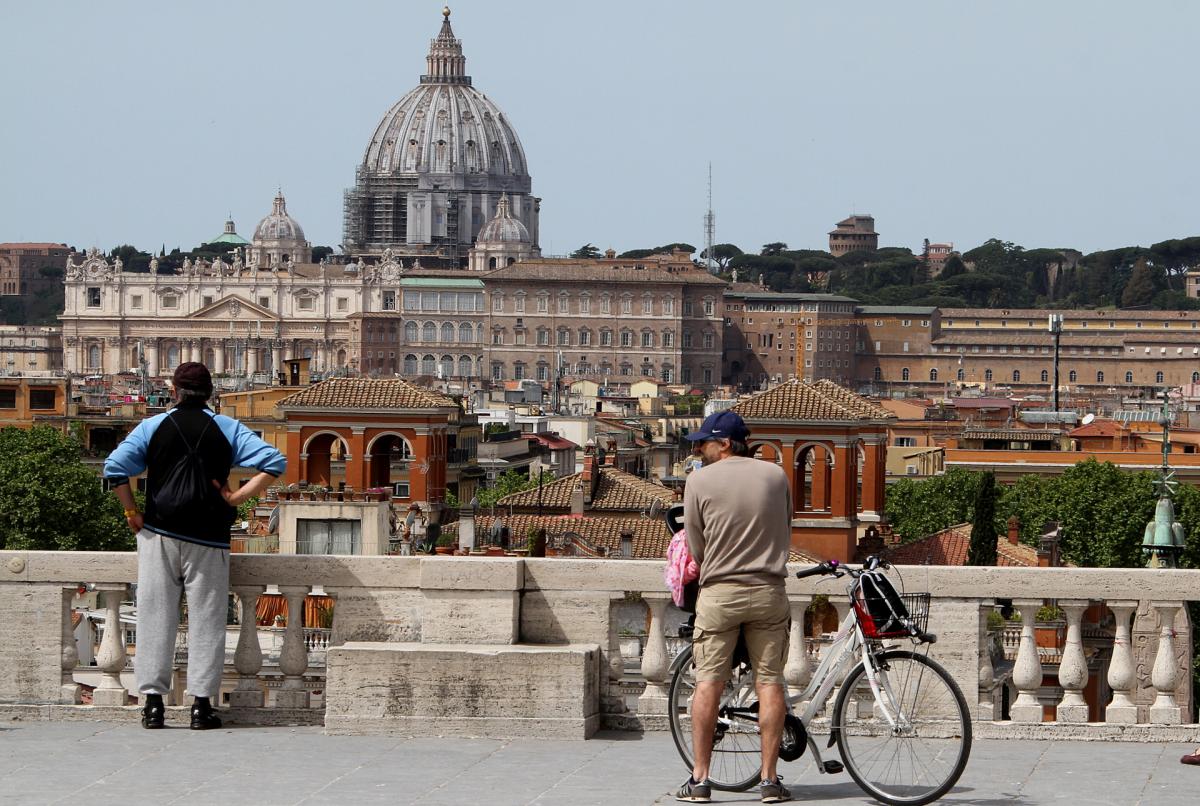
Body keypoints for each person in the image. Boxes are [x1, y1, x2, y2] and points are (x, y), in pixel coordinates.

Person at [104, 362, 286, 730]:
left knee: (155, 617)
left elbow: (114, 468)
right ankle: (201, 707)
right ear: (211, 394)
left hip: (159, 533)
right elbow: (275, 462)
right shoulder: (227, 427)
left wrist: (131, 512)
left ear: (174, 391)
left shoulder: (152, 426)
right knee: (207, 620)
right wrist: (237, 498)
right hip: (208, 536)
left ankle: (152, 705)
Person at [676, 410, 793, 804]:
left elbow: (695, 543)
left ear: (724, 443)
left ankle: (700, 779)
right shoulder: (777, 476)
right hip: (768, 591)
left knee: (708, 681)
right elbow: (786, 526)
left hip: (720, 592)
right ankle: (770, 781)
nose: (697, 450)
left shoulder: (698, 480)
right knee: (770, 682)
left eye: (703, 443)